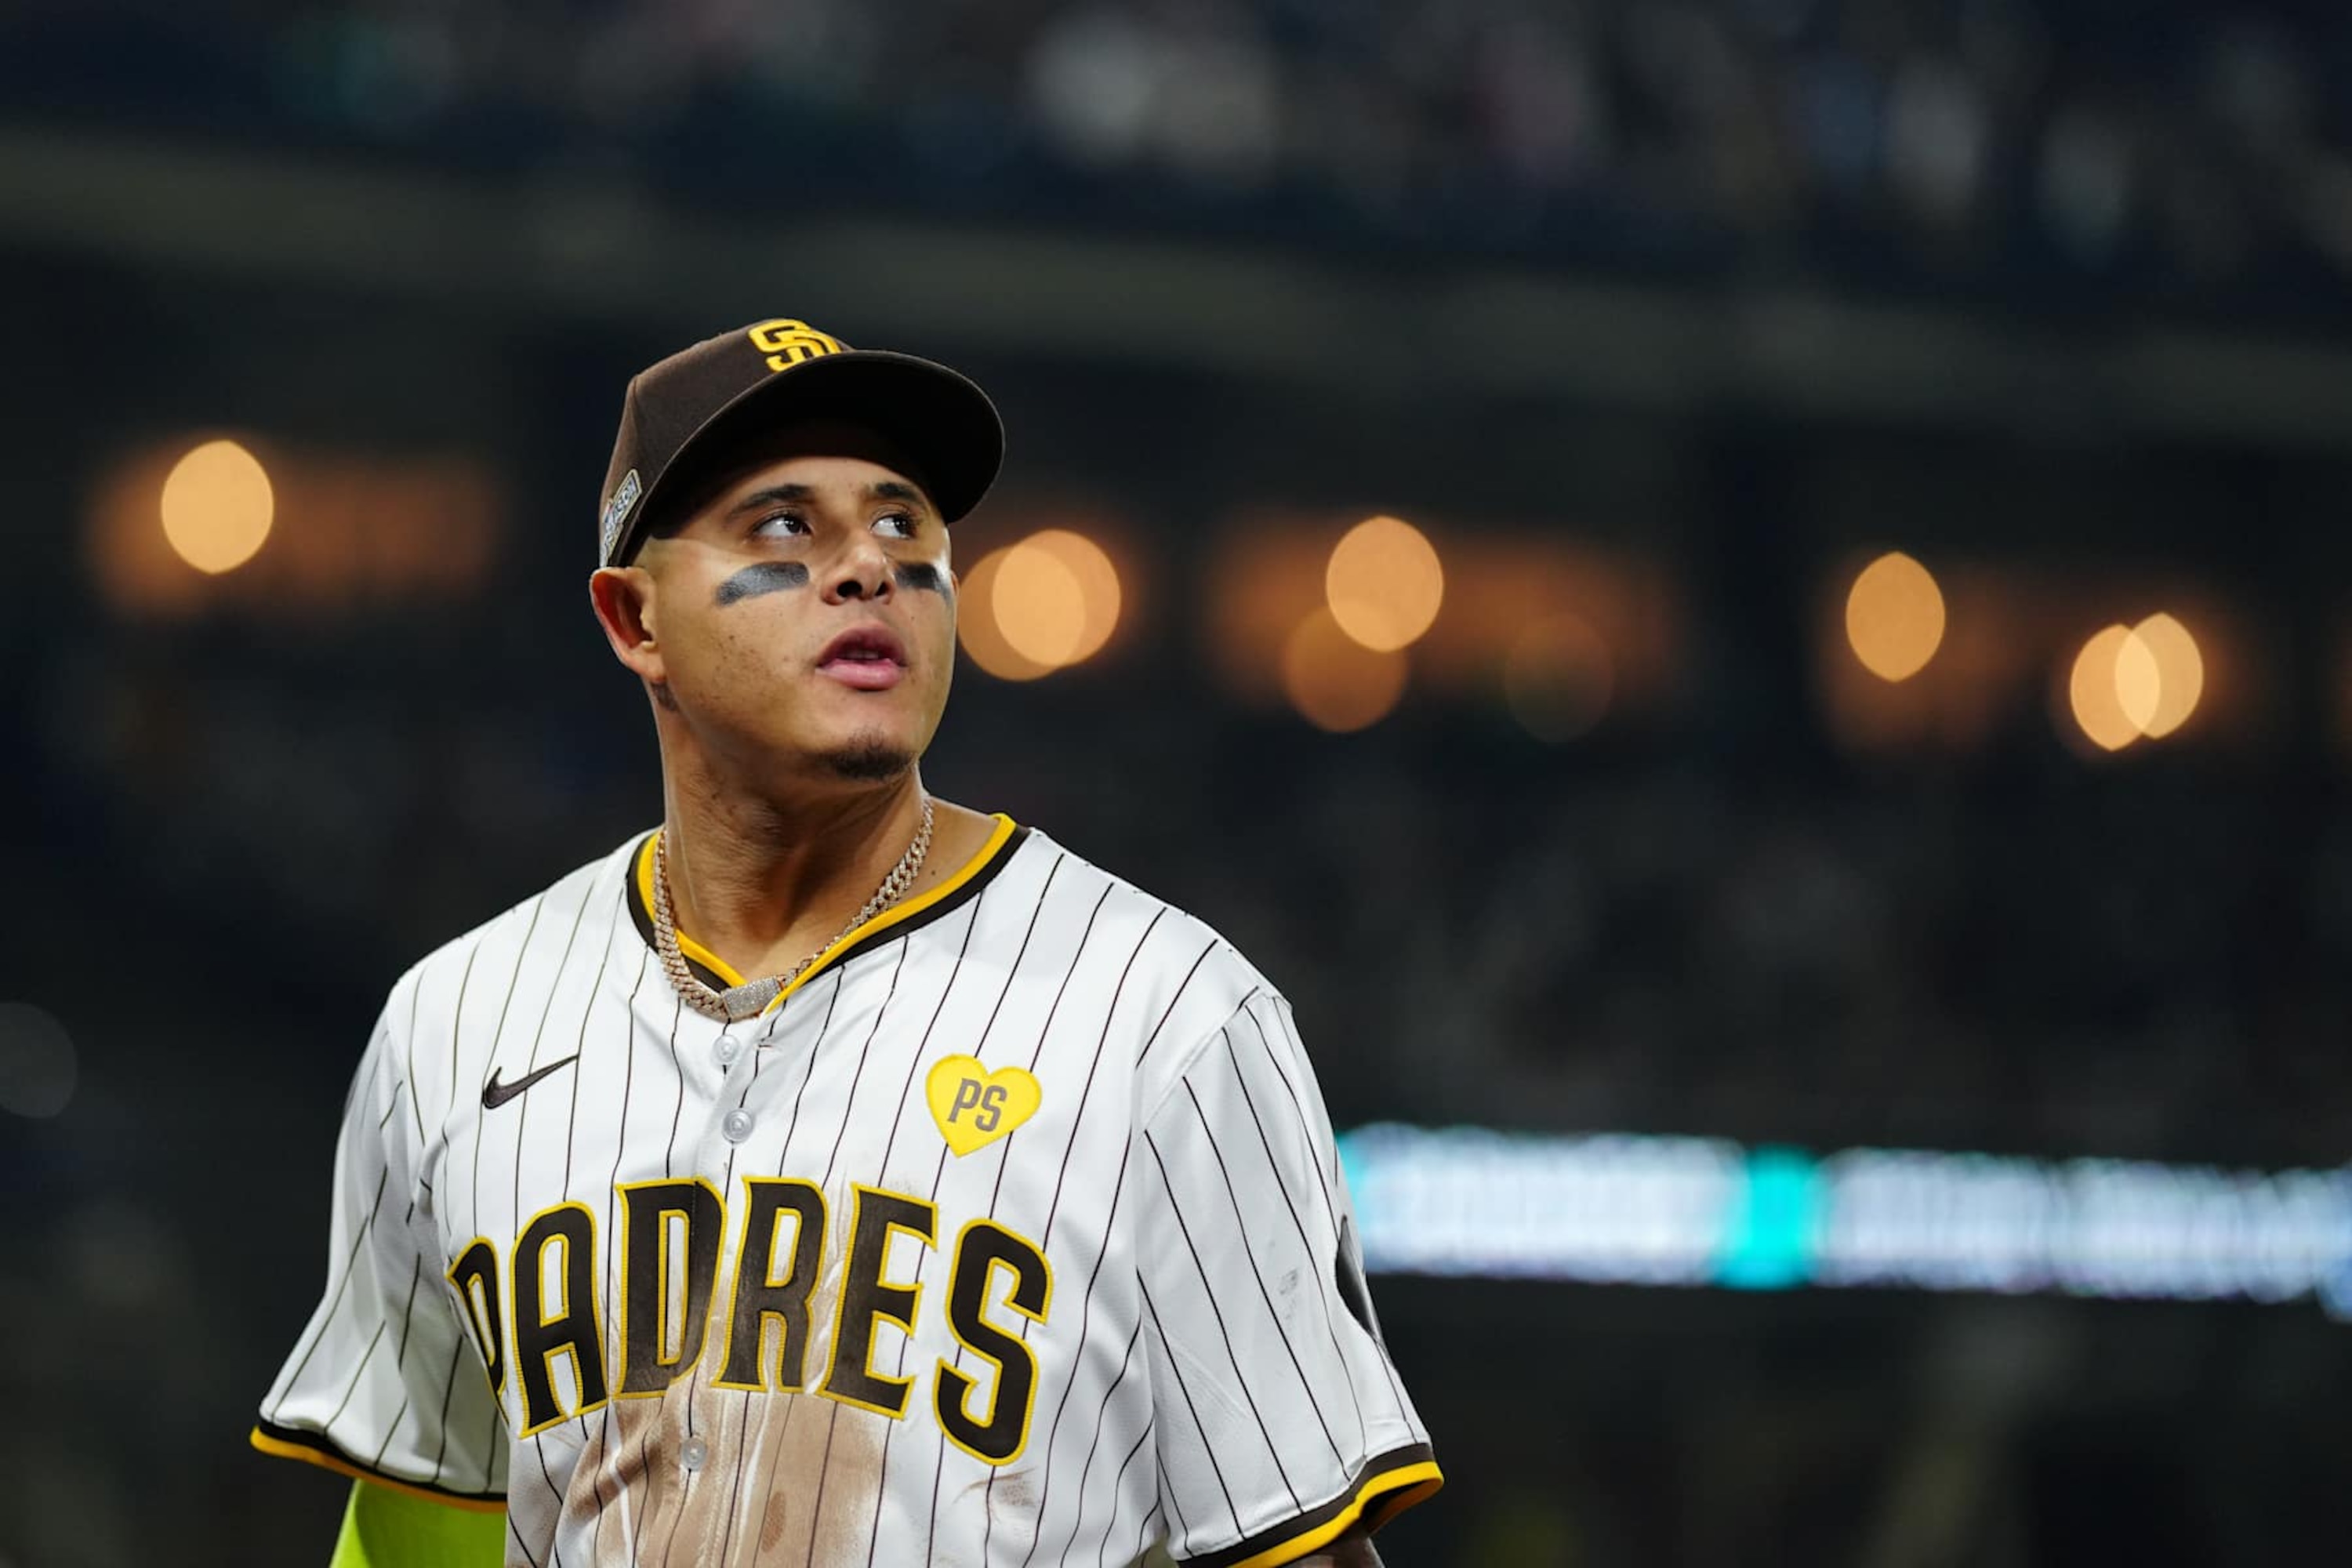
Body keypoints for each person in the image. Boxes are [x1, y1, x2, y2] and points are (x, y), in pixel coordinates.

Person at [252, 318, 1440, 1566]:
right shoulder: (454, 1023)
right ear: (634, 618)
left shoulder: (1170, 1021)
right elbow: (426, 1519)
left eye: (903, 525)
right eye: (784, 528)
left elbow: (1300, 1546)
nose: (869, 565)